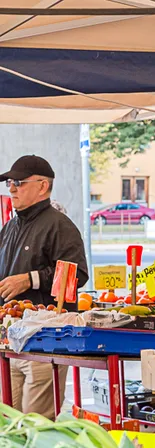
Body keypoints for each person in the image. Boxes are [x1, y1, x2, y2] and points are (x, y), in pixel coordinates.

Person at [0, 155, 89, 419]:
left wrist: (30, 279)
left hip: (44, 342)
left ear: (42, 186)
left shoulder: (60, 226)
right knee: (7, 426)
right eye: (9, 183)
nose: (11, 188)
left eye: (18, 182)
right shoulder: (10, 227)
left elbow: (77, 274)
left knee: (36, 426)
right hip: (10, 341)